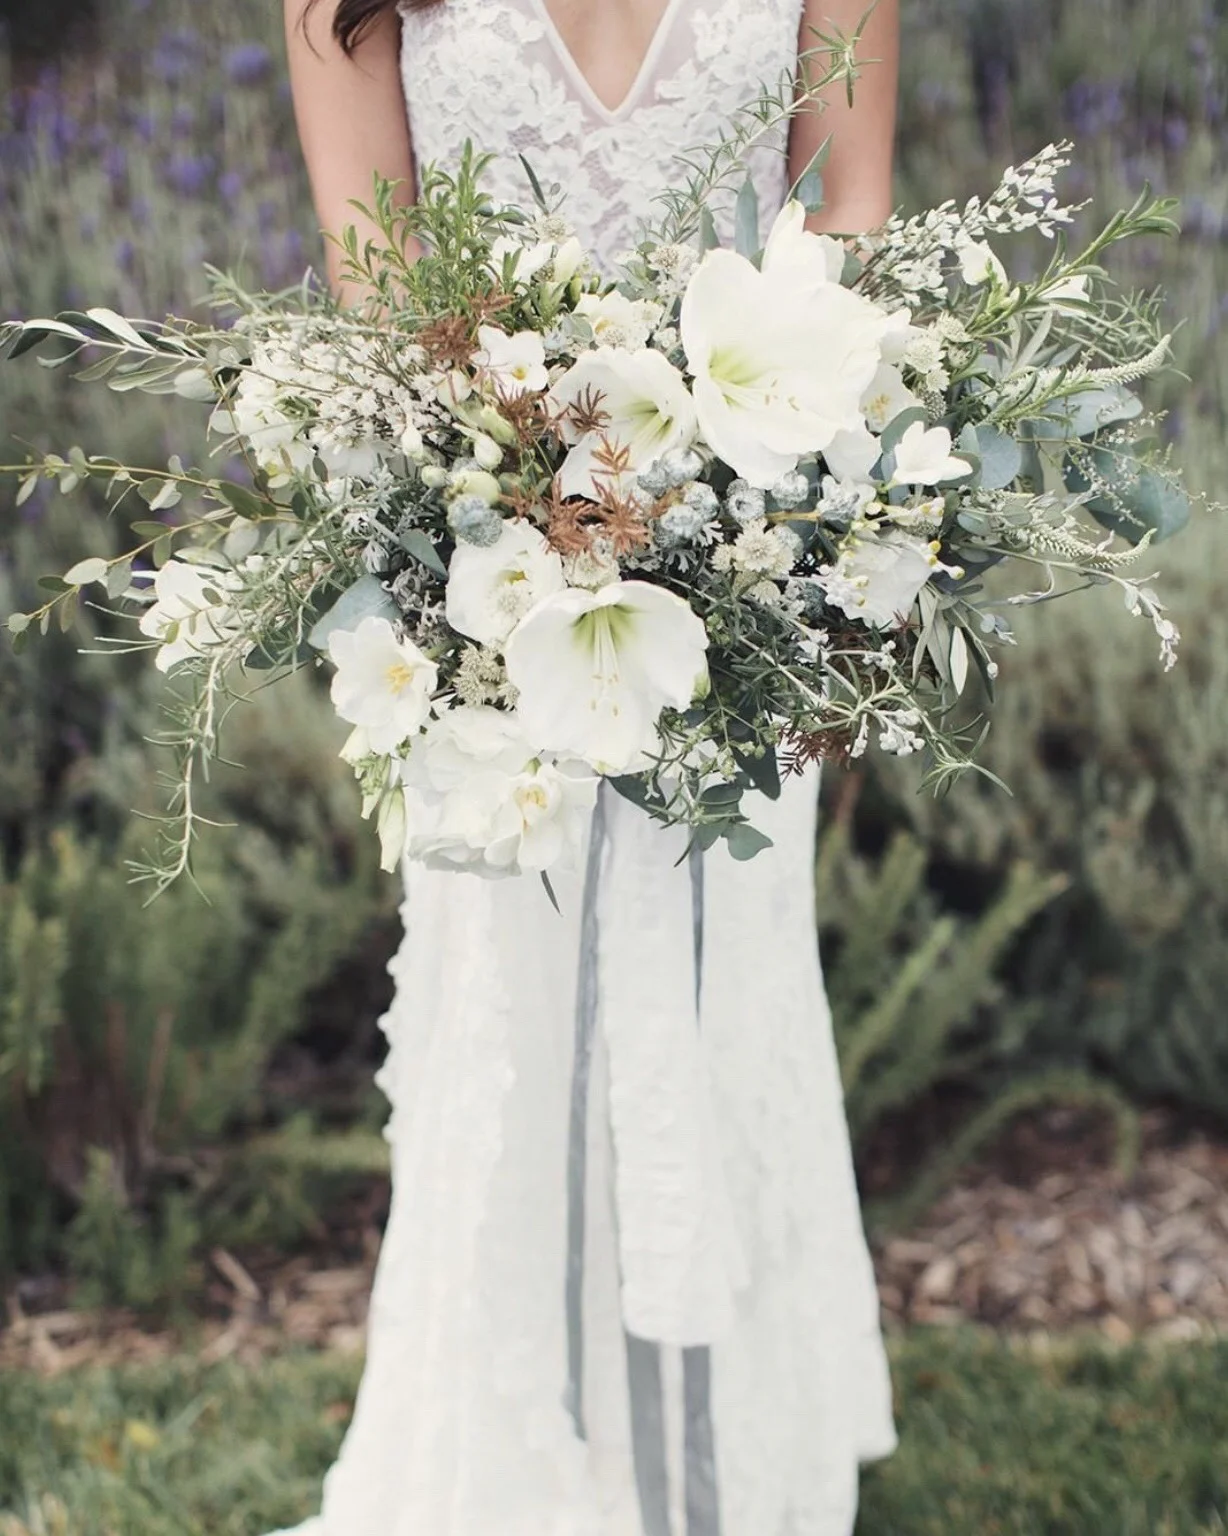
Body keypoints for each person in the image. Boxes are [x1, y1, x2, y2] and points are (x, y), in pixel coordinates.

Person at [276, 1, 900, 1531]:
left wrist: (774, 520)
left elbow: (853, 217)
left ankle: (725, 1480)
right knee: (513, 1009)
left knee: (722, 990)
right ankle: (517, 1480)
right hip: (491, 587)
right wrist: (524, 513)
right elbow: (375, 276)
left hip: (747, 577)